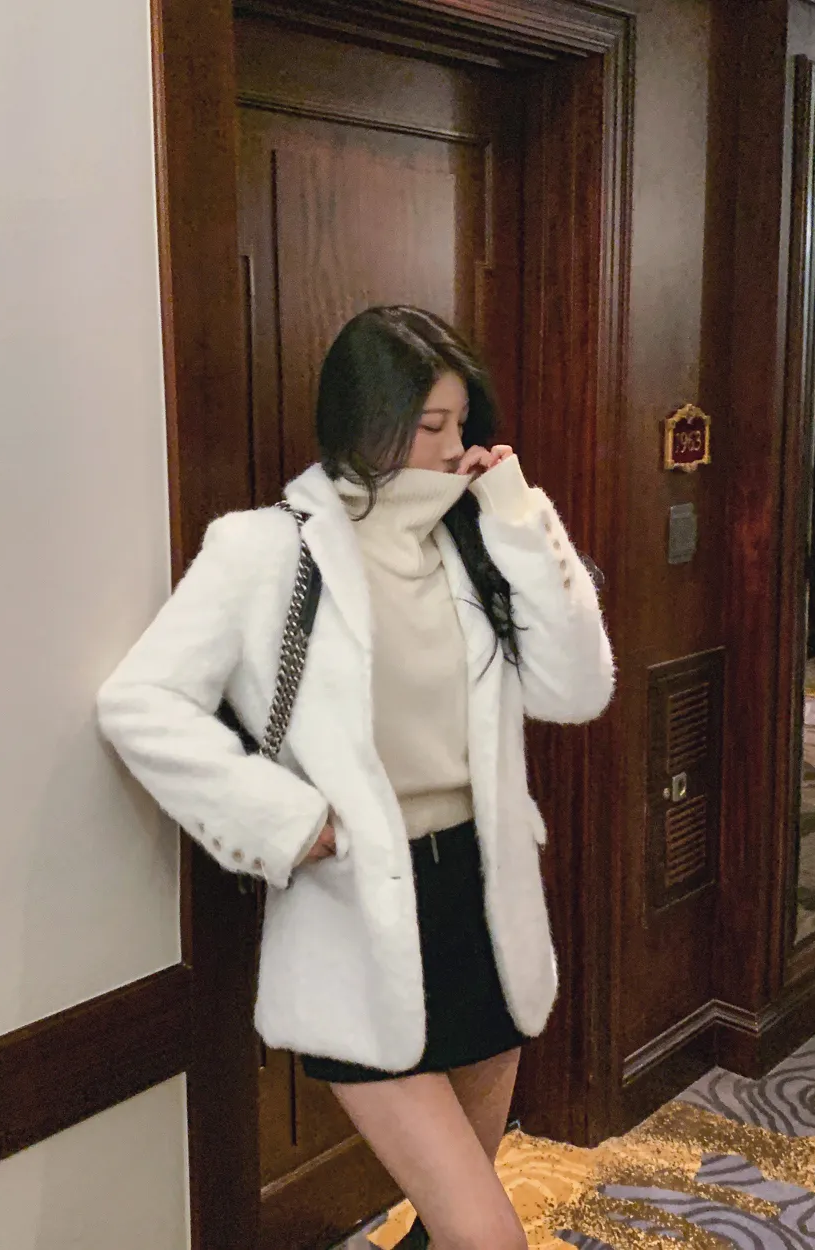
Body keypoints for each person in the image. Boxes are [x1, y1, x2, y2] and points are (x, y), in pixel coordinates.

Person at [97, 306, 615, 1250]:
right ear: (366, 422)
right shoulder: (267, 551)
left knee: (449, 1228)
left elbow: (578, 690)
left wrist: (517, 515)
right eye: (431, 425)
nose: (455, 447)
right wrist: (287, 821)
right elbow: (139, 701)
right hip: (360, 922)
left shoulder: (472, 541)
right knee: (487, 1236)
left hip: (483, 909)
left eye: (463, 423)